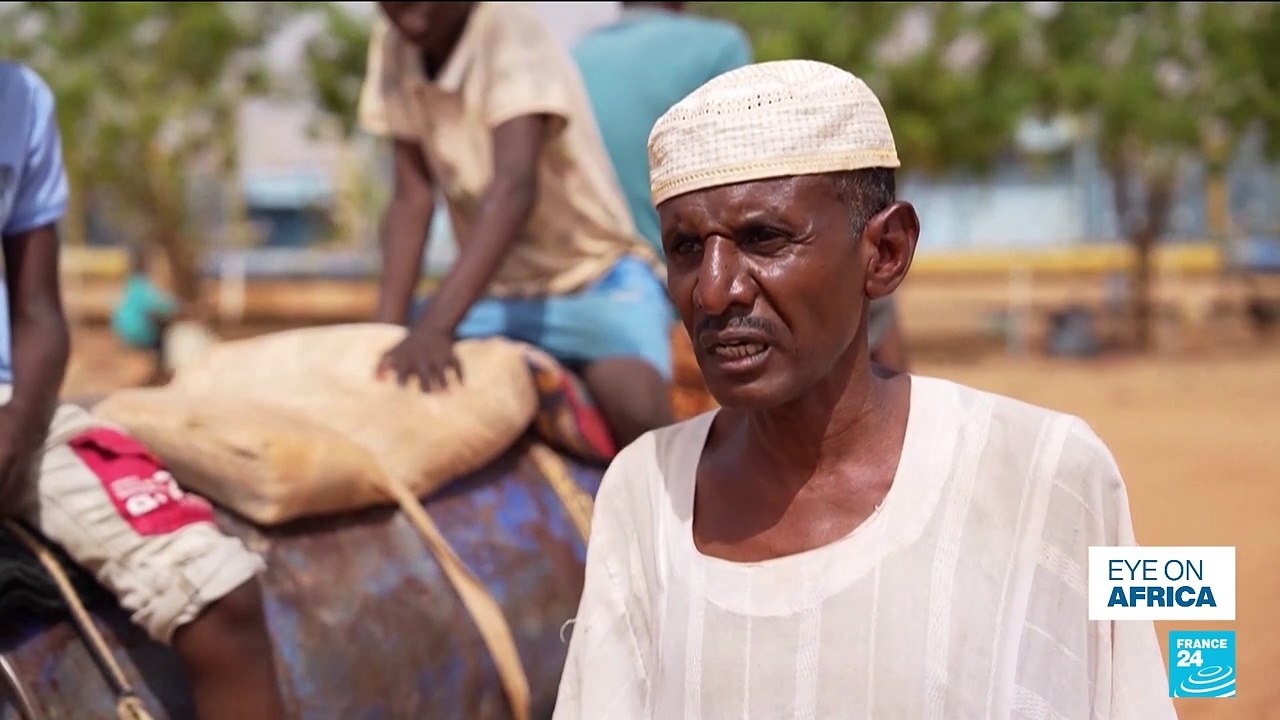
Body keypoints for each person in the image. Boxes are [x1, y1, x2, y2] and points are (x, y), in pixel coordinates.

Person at [553, 60, 1174, 718]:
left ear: (886, 253)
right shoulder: (644, 492)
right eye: (684, 248)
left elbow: (1146, 679)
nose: (713, 290)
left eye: (764, 239)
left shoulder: (1050, 469)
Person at [0, 61, 286, 720]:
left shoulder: (22, 99)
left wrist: (17, 430)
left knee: (221, 593)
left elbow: (41, 316)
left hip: (14, 411)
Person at [358, 1, 675, 447]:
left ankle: (686, 509)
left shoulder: (508, 32)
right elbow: (412, 198)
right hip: (494, 295)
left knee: (635, 408)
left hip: (592, 281)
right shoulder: (395, 44)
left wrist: (435, 328)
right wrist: (380, 340)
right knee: (394, 383)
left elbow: (514, 188)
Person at [110, 245, 178, 385]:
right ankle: (162, 371)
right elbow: (163, 306)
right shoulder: (143, 285)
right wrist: (182, 307)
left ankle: (159, 372)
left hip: (122, 330)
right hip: (138, 332)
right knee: (165, 331)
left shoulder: (131, 284)